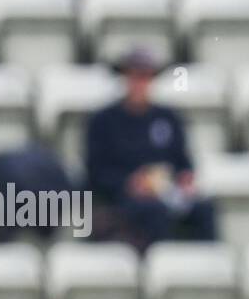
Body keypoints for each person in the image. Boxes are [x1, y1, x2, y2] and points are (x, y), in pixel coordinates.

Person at [85, 47, 215, 250]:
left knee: (204, 209)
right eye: (135, 76)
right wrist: (130, 183)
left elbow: (183, 163)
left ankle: (207, 265)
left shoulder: (168, 118)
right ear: (125, 78)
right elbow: (95, 172)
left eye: (145, 77)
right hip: (121, 200)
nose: (140, 83)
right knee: (153, 211)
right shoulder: (103, 121)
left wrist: (184, 179)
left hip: (166, 193)